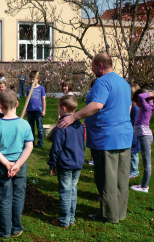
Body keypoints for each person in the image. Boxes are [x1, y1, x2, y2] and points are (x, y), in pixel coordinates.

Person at [58, 53, 133, 224]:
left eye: (92, 66)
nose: (91, 70)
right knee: (121, 178)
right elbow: (128, 107)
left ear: (100, 65)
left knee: (106, 178)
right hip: (124, 136)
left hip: (106, 138)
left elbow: (97, 105)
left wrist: (74, 117)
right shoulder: (124, 83)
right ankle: (119, 212)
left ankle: (108, 215)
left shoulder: (102, 82)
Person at [0, 89, 34, 239]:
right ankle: (16, 228)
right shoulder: (24, 124)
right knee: (18, 196)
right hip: (20, 166)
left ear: (0, 105)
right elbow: (29, 146)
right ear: (17, 104)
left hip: (2, 166)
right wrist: (17, 164)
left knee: (4, 198)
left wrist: (7, 164)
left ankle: (4, 231)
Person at [48, 95, 85, 228]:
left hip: (66, 164)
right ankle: (71, 219)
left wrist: (52, 163)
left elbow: (56, 148)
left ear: (63, 108)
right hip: (77, 163)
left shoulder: (61, 126)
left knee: (65, 192)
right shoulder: (79, 125)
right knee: (73, 190)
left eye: (58, 108)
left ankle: (64, 220)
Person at [130, 89, 154, 193]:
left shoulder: (146, 107)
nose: (136, 104)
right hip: (144, 137)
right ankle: (143, 184)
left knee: (147, 163)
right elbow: (144, 98)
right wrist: (151, 95)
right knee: (145, 162)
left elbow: (141, 97)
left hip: (145, 137)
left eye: (136, 102)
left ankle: (144, 186)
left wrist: (151, 94)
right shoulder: (148, 106)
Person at [26, 71, 46, 148]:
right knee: (31, 127)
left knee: (40, 127)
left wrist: (44, 110)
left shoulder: (41, 88)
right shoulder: (28, 89)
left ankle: (40, 142)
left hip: (38, 110)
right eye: (30, 79)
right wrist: (25, 110)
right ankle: (32, 142)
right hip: (30, 110)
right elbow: (27, 100)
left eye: (33, 79)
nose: (32, 81)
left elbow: (43, 99)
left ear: (38, 79)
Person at [129, 84, 141, 179]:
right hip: (132, 131)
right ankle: (131, 170)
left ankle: (134, 171)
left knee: (134, 153)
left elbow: (134, 121)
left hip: (134, 132)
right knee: (131, 152)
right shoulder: (133, 106)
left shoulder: (135, 108)